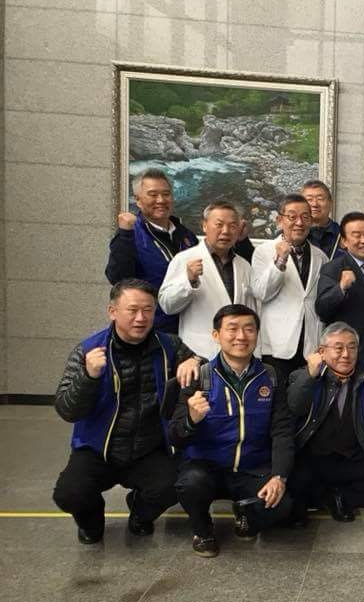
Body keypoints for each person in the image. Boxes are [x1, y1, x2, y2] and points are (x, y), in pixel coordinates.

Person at [53, 279, 202, 544]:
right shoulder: (88, 350)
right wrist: (88, 376)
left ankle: (140, 514)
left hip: (148, 448)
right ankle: (91, 523)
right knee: (69, 493)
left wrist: (196, 360)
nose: (141, 318)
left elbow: (207, 369)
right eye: (132, 310)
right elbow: (67, 410)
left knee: (177, 484)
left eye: (148, 310)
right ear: (112, 311)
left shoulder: (169, 346)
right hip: (99, 449)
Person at [169, 304, 293, 557]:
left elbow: (282, 431)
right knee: (191, 484)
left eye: (249, 329)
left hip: (251, 468)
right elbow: (174, 436)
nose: (241, 336)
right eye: (232, 329)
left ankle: (245, 514)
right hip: (207, 469)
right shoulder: (199, 376)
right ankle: (202, 531)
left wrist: (279, 476)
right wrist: (191, 419)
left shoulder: (271, 376)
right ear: (216, 335)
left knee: (284, 504)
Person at [287, 323, 364, 524]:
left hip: (352, 457)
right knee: (293, 487)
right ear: (322, 352)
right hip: (313, 458)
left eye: (352, 347)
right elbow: (294, 406)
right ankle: (327, 496)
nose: (346, 355)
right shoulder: (302, 376)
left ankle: (338, 497)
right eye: (338, 348)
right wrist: (310, 376)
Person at [158, 200, 256, 360]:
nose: (225, 231)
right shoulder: (184, 259)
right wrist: (188, 281)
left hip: (238, 354)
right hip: (198, 353)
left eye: (232, 226)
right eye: (219, 225)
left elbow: (251, 312)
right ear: (204, 225)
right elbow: (167, 305)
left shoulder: (244, 265)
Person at [105, 169, 198, 333]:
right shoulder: (131, 234)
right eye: (153, 195)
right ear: (138, 200)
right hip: (150, 330)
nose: (161, 200)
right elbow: (118, 278)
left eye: (166, 194)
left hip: (189, 328)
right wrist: (125, 234)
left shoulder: (186, 236)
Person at [250, 194, 328, 386]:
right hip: (277, 345)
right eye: (292, 217)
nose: (299, 223)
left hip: (310, 345)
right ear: (280, 220)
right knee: (277, 399)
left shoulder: (320, 256)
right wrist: (279, 261)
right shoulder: (263, 251)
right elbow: (261, 293)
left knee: (304, 397)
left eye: (305, 217)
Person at [314, 212, 364, 376]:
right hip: (348, 357)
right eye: (356, 235)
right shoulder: (333, 268)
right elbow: (321, 309)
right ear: (344, 241)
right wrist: (340, 288)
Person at [303, 180, 342, 259]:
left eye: (320, 199)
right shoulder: (293, 235)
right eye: (309, 199)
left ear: (330, 203)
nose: (315, 204)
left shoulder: (342, 235)